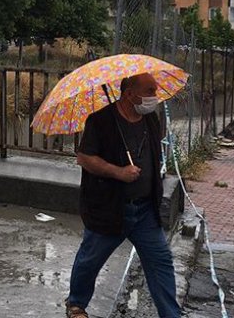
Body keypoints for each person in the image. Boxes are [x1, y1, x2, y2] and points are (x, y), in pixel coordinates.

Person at [65, 73, 181, 318]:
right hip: (111, 208)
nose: (154, 97)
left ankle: (171, 314)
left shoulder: (150, 119)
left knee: (161, 262)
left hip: (145, 210)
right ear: (129, 94)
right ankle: (76, 304)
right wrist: (118, 172)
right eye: (149, 91)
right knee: (90, 260)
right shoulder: (101, 121)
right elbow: (84, 158)